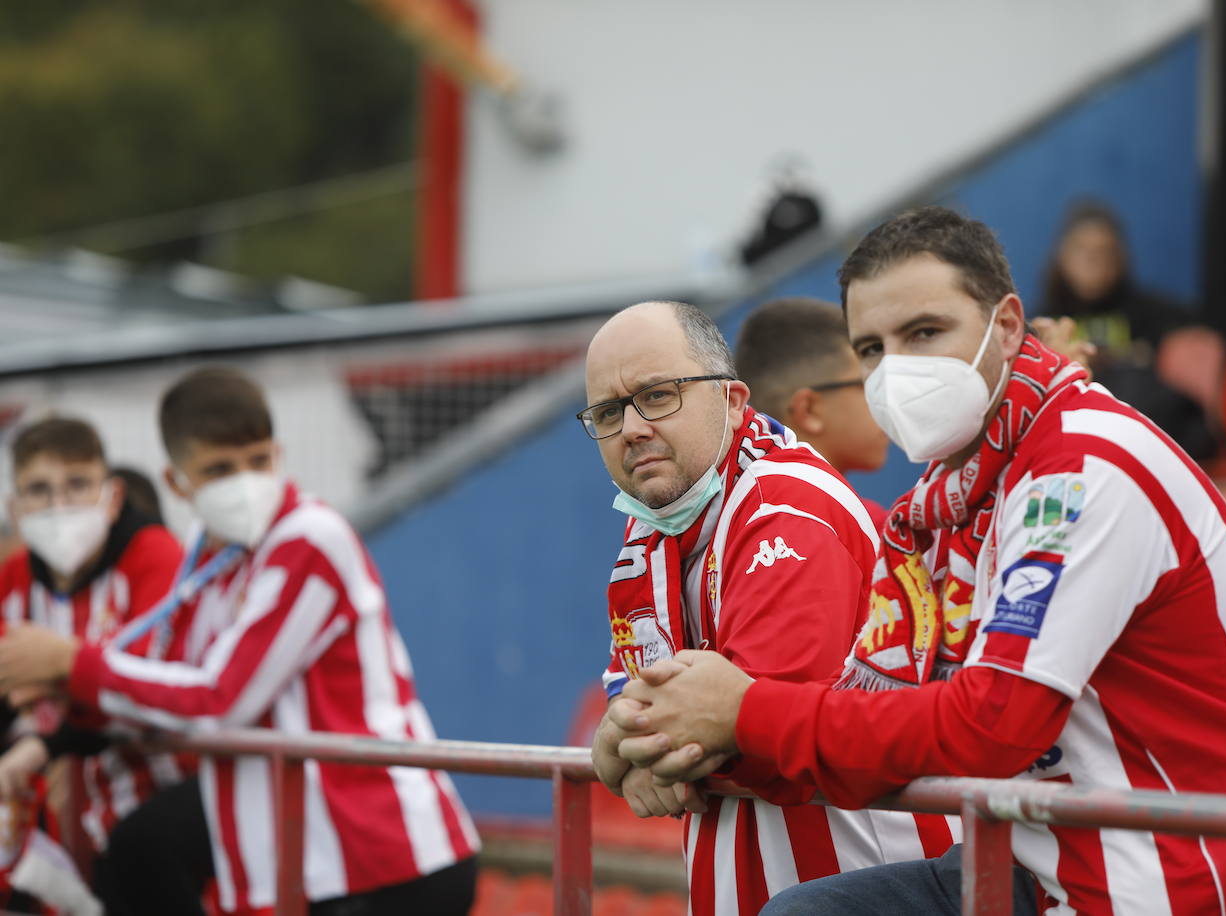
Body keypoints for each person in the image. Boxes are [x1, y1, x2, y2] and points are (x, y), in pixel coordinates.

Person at [609, 208, 1226, 914]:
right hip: (1069, 856)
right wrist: (662, 743)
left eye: (925, 332)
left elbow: (992, 724)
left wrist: (742, 711)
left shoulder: (1079, 466)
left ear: (1007, 326)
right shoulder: (945, 501)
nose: (895, 370)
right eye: (871, 349)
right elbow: (877, 719)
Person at [0, 367, 481, 916]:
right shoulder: (210, 560)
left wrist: (70, 662)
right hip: (310, 857)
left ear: (279, 454)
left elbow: (218, 698)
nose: (244, 482)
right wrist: (49, 743)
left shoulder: (308, 539)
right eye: (219, 468)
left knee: (143, 849)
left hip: (386, 855)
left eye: (257, 461)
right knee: (137, 852)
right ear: (178, 482)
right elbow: (164, 679)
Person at [583, 301, 960, 916]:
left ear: (733, 402)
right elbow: (641, 704)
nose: (631, 427)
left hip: (868, 884)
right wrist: (619, 737)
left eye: (657, 396)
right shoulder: (650, 537)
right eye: (607, 411)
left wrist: (623, 745)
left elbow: (754, 728)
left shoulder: (790, 508)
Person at [0, 417, 185, 913]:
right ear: (16, 510)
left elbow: (148, 687)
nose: (59, 506)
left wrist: (58, 677)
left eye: (77, 485)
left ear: (112, 496)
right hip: (74, 823)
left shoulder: (155, 557)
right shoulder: (13, 581)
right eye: (39, 490)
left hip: (171, 806)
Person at [1040, 200, 1224, 459]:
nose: (1093, 262)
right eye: (1082, 251)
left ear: (1120, 259)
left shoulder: (1153, 313)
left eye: (1104, 252)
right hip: (1074, 442)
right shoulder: (1044, 322)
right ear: (1062, 256)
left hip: (1146, 439)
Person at [734, 297, 892, 525]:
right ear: (809, 410)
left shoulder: (740, 518)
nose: (885, 400)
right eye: (869, 384)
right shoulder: (859, 524)